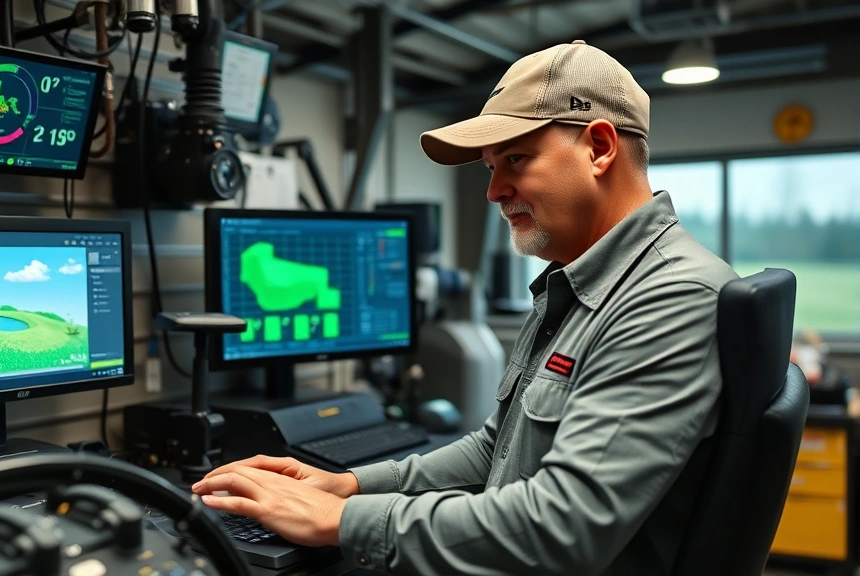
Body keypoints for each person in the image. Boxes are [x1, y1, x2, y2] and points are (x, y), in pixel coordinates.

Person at [191, 40, 738, 575]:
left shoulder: (667, 297)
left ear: (599, 148)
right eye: (489, 168)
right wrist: (351, 485)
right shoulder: (574, 286)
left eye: (516, 159)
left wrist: (341, 519)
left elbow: (564, 529)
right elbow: (496, 450)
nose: (494, 191)